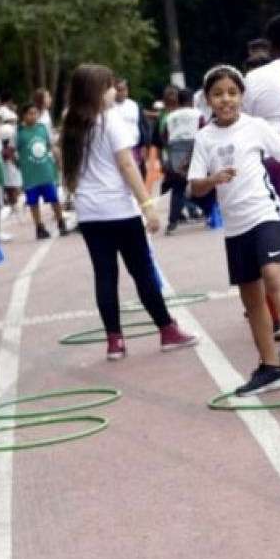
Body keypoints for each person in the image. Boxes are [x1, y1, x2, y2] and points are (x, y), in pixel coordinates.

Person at [59, 63, 197, 361]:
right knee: (142, 270)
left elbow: (68, 170)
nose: (114, 91)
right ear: (98, 91)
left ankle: (114, 341)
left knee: (104, 275)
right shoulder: (110, 121)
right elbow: (126, 165)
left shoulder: (70, 122)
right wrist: (148, 205)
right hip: (118, 209)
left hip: (89, 212)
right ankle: (167, 329)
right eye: (109, 86)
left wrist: (74, 202)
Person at [188, 65, 280, 394]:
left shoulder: (255, 127)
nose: (226, 99)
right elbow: (194, 187)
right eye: (218, 94)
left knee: (273, 274)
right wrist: (213, 180)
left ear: (242, 96)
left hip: (264, 215)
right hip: (235, 227)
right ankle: (270, 366)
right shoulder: (204, 138)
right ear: (208, 100)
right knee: (251, 297)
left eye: (232, 92)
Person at [17, 101, 69, 239]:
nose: (33, 116)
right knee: (33, 203)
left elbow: (52, 146)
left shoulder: (42, 128)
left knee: (54, 199)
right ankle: (39, 227)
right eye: (30, 113)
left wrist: (59, 164)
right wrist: (19, 164)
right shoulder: (19, 133)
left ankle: (61, 222)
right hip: (30, 176)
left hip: (46, 172)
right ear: (23, 115)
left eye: (35, 113)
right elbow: (10, 151)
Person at [159, 85, 201, 233]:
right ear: (191, 100)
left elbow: (164, 135)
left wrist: (170, 149)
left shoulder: (170, 116)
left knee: (178, 188)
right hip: (194, 148)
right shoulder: (197, 114)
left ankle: (172, 223)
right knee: (201, 181)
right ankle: (210, 212)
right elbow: (204, 130)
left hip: (175, 149)